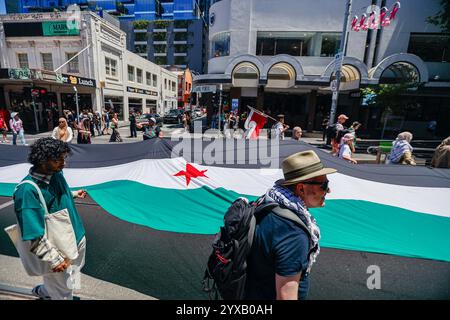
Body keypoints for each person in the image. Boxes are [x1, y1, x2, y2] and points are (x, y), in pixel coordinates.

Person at [245, 150, 337, 300]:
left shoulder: (267, 203)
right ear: (301, 188)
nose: (328, 190)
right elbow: (286, 296)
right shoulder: (293, 234)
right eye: (324, 185)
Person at [13, 138, 87, 300]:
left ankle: (48, 291)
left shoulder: (55, 173)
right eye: (57, 160)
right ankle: (56, 293)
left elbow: (54, 197)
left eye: (63, 158)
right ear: (41, 161)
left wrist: (73, 194)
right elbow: (33, 234)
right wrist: (54, 260)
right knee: (63, 292)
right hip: (59, 249)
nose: (63, 163)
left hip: (77, 238)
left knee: (72, 278)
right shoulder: (26, 191)